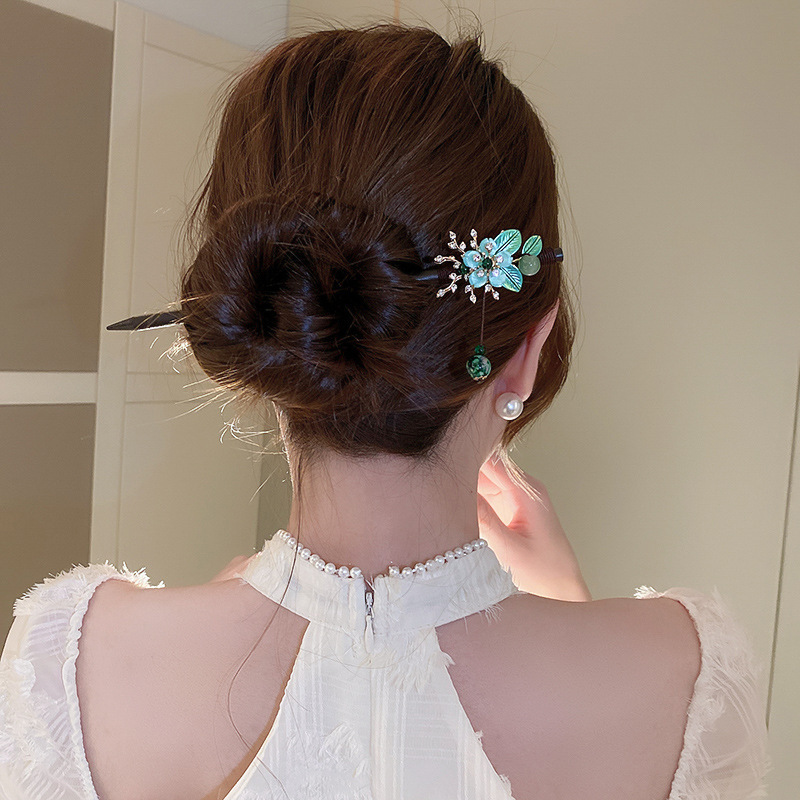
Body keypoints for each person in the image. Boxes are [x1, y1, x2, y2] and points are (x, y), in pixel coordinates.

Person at [0, 20, 771, 800]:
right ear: (527, 351)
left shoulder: (68, 668)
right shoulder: (689, 685)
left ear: (267, 328)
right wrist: (569, 612)